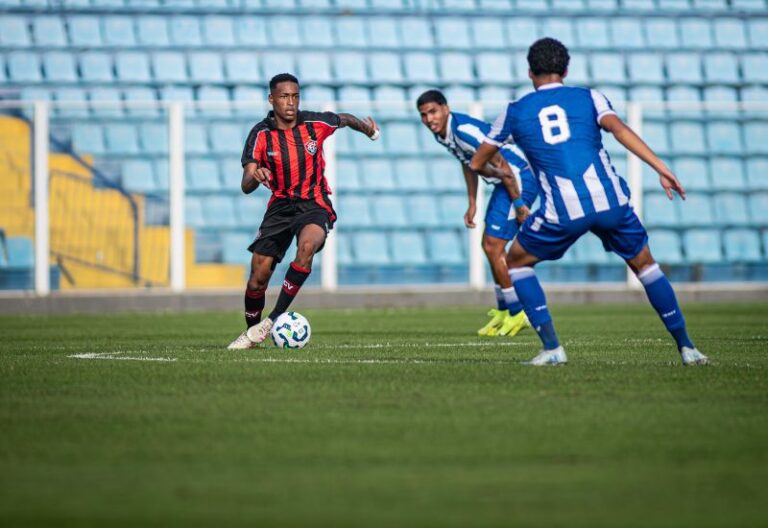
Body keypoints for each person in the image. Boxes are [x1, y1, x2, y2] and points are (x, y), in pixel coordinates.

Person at [470, 38, 708, 366]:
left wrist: (496, 172)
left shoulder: (514, 112)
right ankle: (687, 348)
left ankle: (553, 349)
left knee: (516, 263)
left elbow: (478, 160)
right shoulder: (590, 97)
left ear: (529, 72)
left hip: (562, 210)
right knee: (646, 266)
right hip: (611, 202)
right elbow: (620, 130)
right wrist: (662, 169)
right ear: (565, 70)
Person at [228, 73, 380, 349]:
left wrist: (368, 130)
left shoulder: (314, 123)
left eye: (295, 96)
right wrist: (257, 174)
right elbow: (246, 185)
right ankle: (253, 332)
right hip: (280, 207)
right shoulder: (260, 134)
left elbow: (344, 118)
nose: (291, 102)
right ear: (271, 99)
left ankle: (273, 320)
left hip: (314, 204)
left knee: (307, 245)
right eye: (284, 96)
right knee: (257, 279)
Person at [416, 90, 539, 337]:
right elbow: (468, 162)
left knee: (493, 246)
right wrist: (472, 202)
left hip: (518, 178)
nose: (429, 119)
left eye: (433, 112)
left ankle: (518, 313)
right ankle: (505, 311)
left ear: (446, 108)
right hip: (504, 183)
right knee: (490, 246)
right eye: (423, 115)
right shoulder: (444, 134)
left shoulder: (463, 131)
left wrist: (519, 205)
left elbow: (503, 166)